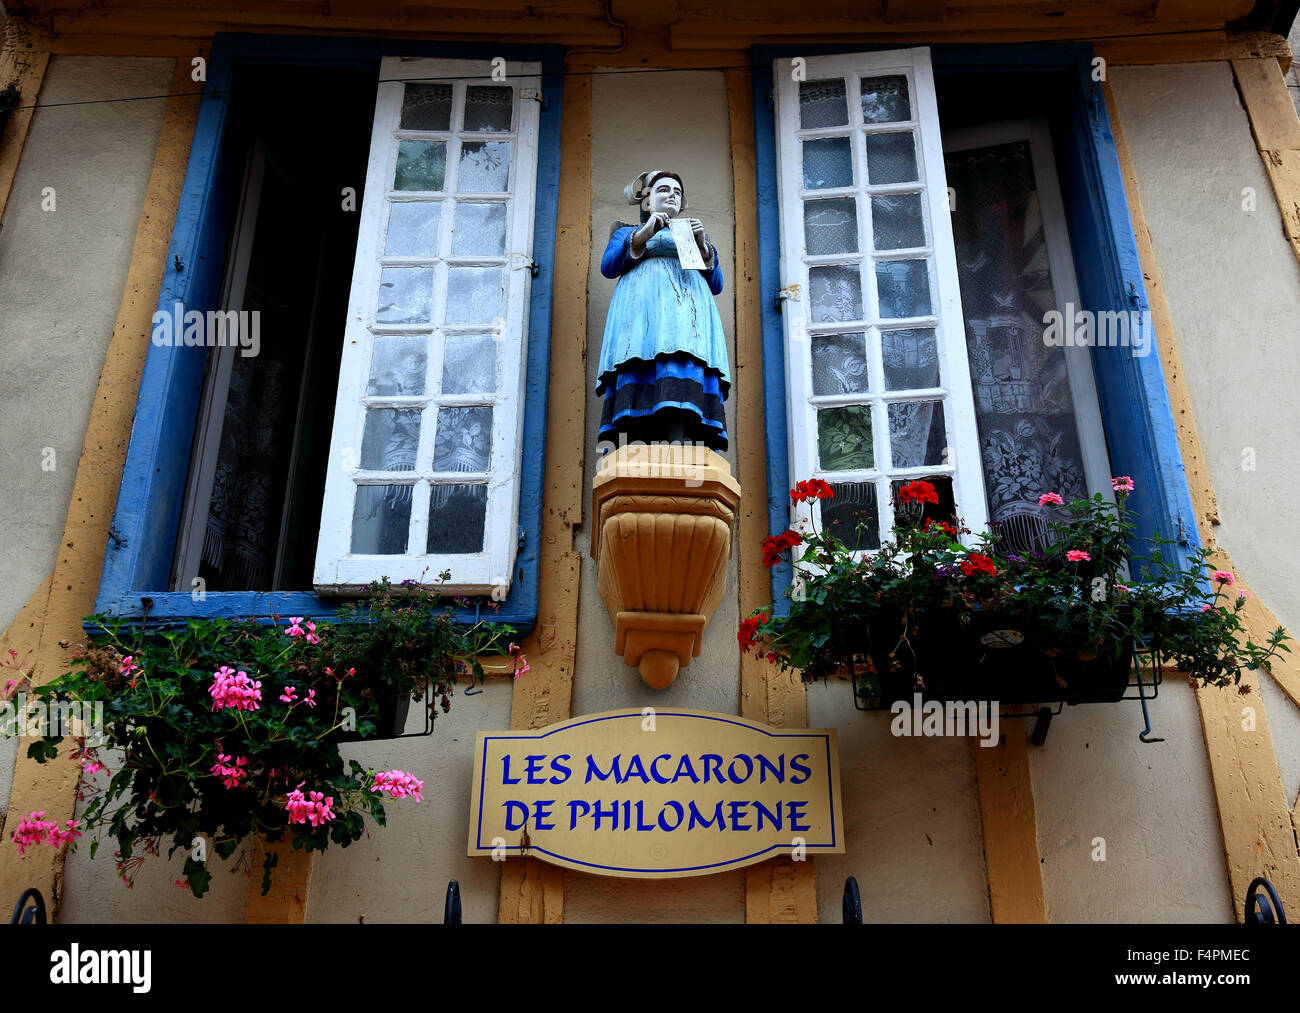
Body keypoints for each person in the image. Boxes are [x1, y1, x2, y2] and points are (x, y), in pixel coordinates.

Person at [596, 170, 731, 451]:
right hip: (641, 319)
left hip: (686, 322)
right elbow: (608, 266)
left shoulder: (693, 234)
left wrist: (704, 245)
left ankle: (680, 442)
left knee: (679, 368)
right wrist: (646, 232)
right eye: (663, 190)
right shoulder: (626, 232)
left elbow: (716, 285)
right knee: (640, 368)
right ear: (646, 203)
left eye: (677, 192)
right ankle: (633, 445)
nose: (672, 194)